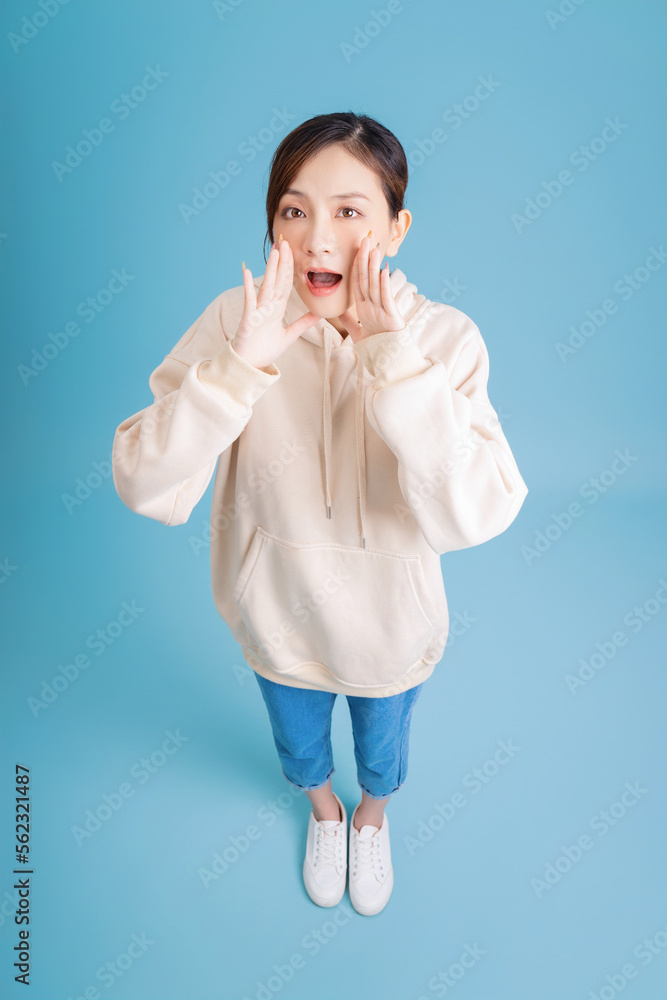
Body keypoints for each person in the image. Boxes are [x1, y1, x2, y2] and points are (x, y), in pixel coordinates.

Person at [111, 111, 529, 917]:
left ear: (395, 229)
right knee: (301, 751)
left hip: (391, 633)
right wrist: (240, 367)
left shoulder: (444, 339)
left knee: (381, 752)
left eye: (348, 211)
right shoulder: (238, 322)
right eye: (294, 210)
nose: (316, 237)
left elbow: (478, 508)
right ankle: (325, 813)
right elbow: (143, 479)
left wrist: (393, 361)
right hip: (276, 622)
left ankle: (370, 816)